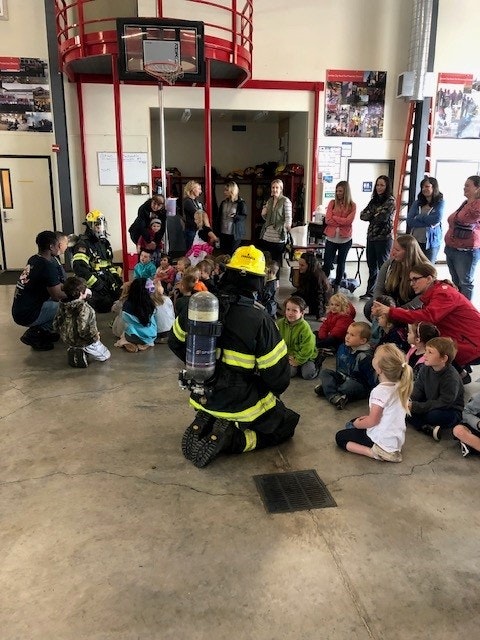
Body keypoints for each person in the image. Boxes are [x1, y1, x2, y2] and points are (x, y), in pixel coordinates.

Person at [168, 245, 300, 468]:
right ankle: (234, 439)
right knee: (287, 424)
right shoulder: (260, 320)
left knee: (223, 404)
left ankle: (208, 419)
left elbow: (174, 341)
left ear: (227, 272)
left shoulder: (199, 305)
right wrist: (264, 390)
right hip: (241, 399)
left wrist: (199, 363)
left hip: (202, 390)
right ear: (258, 281)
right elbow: (278, 376)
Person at [371, 262, 480, 381]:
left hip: (473, 343)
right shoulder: (437, 292)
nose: (412, 284)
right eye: (411, 280)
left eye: (415, 279)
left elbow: (429, 316)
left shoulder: (444, 293)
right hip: (464, 338)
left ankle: (458, 375)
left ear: (429, 279)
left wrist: (391, 311)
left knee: (429, 343)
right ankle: (458, 372)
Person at [335, 344, 413, 462]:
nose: (373, 357)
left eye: (375, 356)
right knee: (352, 422)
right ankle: (385, 450)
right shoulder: (401, 386)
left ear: (379, 369)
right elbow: (387, 414)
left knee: (340, 436)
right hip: (395, 439)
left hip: (381, 441)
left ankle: (374, 452)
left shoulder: (380, 391)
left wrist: (357, 424)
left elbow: (373, 421)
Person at [12, 230, 66, 351]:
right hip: (28, 314)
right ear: (51, 247)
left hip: (20, 310)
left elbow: (53, 285)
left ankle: (43, 330)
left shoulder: (34, 259)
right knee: (65, 306)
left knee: (56, 303)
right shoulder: (48, 266)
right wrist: (77, 293)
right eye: (58, 245)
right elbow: (57, 295)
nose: (59, 247)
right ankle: (35, 334)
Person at [406, 337, 464, 441]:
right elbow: (418, 388)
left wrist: (415, 406)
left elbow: (444, 402)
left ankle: (420, 423)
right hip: (430, 401)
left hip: (449, 409)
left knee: (433, 415)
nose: (425, 355)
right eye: (426, 351)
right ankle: (426, 427)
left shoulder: (451, 378)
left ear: (443, 358)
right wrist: (409, 401)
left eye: (430, 352)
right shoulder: (425, 368)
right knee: (404, 408)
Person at [364, 234, 431, 321]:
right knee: (369, 307)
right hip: (392, 301)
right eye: (393, 248)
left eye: (397, 250)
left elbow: (422, 298)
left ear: (408, 252)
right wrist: (379, 304)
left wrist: (398, 311)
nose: (392, 253)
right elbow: (379, 287)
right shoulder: (390, 264)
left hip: (410, 305)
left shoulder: (424, 268)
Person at [315, 321, 376, 410]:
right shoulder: (343, 347)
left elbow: (371, 378)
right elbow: (338, 367)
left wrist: (374, 394)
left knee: (349, 386)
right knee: (325, 372)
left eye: (352, 335)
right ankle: (335, 395)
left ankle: (329, 391)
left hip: (357, 384)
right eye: (347, 333)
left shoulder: (365, 357)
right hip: (342, 378)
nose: (347, 336)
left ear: (363, 340)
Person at [53, 276, 111, 368]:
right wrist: (95, 337)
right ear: (81, 293)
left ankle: (75, 349)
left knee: (75, 341)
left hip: (67, 338)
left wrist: (61, 332)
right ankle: (82, 350)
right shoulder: (85, 309)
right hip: (84, 340)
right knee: (106, 355)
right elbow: (83, 329)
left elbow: (57, 321)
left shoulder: (62, 304)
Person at [71, 210, 123, 313]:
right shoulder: (83, 244)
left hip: (105, 279)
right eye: (96, 224)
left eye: (101, 224)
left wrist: (116, 278)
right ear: (89, 226)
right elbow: (80, 268)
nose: (99, 227)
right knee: (104, 304)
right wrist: (97, 284)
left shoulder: (104, 243)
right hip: (92, 282)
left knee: (120, 295)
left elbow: (109, 264)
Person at [444, 175, 480, 300]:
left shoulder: (477, 206)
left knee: (465, 283)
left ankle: (466, 310)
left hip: (465, 251)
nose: (464, 188)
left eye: (467, 186)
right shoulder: (466, 204)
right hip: (452, 248)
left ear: (477, 188)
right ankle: (458, 306)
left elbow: (470, 219)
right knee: (456, 281)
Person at [359, 175, 395, 299]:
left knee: (383, 267)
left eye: (382, 185)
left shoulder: (390, 201)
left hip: (384, 238)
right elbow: (363, 215)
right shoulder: (374, 200)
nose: (379, 187)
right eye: (378, 185)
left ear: (387, 187)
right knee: (371, 266)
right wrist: (375, 214)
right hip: (371, 237)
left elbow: (382, 218)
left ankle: (384, 293)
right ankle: (370, 291)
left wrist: (372, 214)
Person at [322, 180, 356, 292]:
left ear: (346, 191)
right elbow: (327, 219)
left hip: (345, 239)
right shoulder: (332, 203)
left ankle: (336, 285)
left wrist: (335, 218)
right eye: (336, 191)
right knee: (327, 262)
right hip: (331, 238)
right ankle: (323, 283)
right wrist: (342, 220)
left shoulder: (352, 205)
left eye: (340, 191)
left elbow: (348, 221)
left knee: (341, 263)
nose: (338, 193)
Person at [276, 296, 319, 380]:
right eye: (288, 309)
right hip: (289, 355)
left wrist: (298, 361)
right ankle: (298, 368)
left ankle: (317, 365)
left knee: (308, 375)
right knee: (290, 373)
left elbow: (308, 348)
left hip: (306, 356)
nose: (290, 313)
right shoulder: (280, 323)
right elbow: (275, 341)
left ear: (302, 313)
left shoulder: (305, 327)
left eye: (294, 311)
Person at [406, 176, 445, 264]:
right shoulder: (417, 203)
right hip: (416, 240)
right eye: (422, 187)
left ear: (434, 187)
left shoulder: (440, 203)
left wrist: (419, 217)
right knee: (415, 266)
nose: (424, 189)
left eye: (427, 186)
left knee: (428, 268)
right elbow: (410, 221)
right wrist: (428, 222)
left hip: (431, 243)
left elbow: (436, 219)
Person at [114, 277, 157, 353]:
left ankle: (127, 343)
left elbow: (124, 322)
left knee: (124, 333)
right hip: (150, 335)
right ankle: (144, 344)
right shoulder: (151, 304)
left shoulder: (127, 304)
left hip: (133, 336)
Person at [258, 178, 292, 271]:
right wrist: (263, 214)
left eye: (277, 187)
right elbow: (266, 218)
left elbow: (288, 218)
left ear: (281, 189)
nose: (274, 189)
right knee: (266, 260)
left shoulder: (286, 201)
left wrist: (287, 229)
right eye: (273, 187)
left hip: (278, 237)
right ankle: (267, 280)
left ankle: (275, 281)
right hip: (267, 235)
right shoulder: (269, 201)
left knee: (276, 262)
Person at [293, 252, 332, 320]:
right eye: (299, 264)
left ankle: (316, 311)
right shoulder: (305, 272)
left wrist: (320, 315)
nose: (299, 267)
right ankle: (312, 310)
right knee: (293, 300)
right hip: (311, 294)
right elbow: (302, 289)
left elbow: (319, 295)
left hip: (322, 298)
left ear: (309, 265)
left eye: (302, 265)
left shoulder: (316, 276)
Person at [316, 292, 356, 357]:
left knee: (331, 339)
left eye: (337, 305)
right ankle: (320, 345)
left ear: (343, 306)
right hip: (331, 335)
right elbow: (325, 326)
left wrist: (326, 337)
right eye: (332, 304)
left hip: (340, 340)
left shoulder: (345, 317)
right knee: (316, 333)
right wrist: (322, 336)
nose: (333, 307)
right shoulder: (331, 315)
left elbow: (338, 331)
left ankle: (316, 346)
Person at [217, 181, 247, 255]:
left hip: (234, 234)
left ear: (232, 191)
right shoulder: (223, 203)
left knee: (233, 254)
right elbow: (218, 217)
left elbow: (244, 216)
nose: (224, 192)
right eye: (225, 190)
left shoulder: (241, 203)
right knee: (223, 254)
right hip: (223, 233)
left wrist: (235, 216)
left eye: (227, 190)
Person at [452, 392, 480, 457]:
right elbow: (467, 412)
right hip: (476, 426)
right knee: (458, 430)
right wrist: (478, 423)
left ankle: (470, 446)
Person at [183, 180, 204, 250]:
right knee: (191, 252)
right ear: (193, 189)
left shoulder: (195, 201)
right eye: (199, 189)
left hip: (196, 230)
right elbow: (197, 213)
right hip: (191, 230)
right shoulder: (187, 201)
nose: (200, 191)